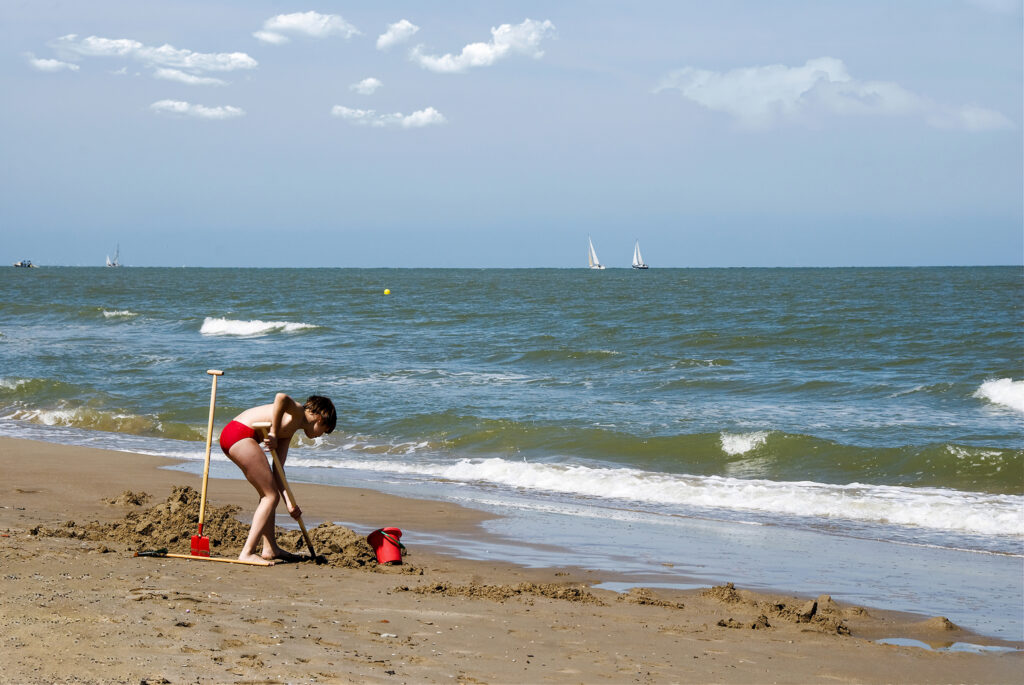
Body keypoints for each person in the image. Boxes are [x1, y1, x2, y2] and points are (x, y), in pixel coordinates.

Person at [219, 393, 336, 564]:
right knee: (270, 496)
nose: (322, 435)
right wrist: (273, 432)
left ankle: (270, 548)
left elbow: (278, 470)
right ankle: (247, 553)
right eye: (325, 430)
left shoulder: (289, 432)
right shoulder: (297, 412)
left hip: (238, 436)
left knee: (269, 493)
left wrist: (289, 503)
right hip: (239, 433)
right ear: (319, 418)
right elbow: (281, 397)